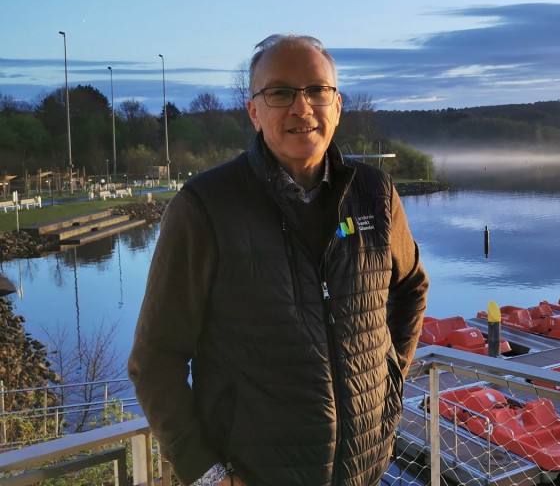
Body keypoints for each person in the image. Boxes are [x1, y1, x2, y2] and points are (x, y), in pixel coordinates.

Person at [128, 34, 429, 486]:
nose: (301, 107)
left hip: (365, 470)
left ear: (338, 105)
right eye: (280, 92)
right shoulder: (206, 207)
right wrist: (206, 473)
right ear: (254, 110)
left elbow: (411, 287)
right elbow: (154, 360)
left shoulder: (374, 194)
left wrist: (388, 384)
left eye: (316, 91)